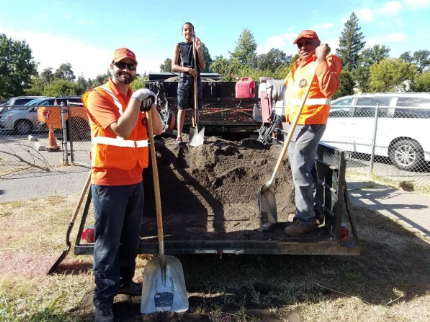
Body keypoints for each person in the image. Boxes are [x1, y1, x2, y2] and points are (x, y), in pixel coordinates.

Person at [82, 47, 162, 322]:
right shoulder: (98, 97)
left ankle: (125, 282)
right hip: (109, 182)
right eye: (121, 65)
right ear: (111, 66)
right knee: (107, 242)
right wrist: (138, 100)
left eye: (131, 66)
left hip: (135, 179)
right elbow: (122, 130)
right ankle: (103, 299)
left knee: (130, 240)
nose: (126, 70)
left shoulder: (134, 98)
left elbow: (158, 129)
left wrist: (151, 104)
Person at [283, 30, 342, 236]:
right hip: (294, 123)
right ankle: (314, 211)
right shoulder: (299, 67)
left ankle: (305, 219)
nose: (303, 47)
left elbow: (328, 89)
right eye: (300, 44)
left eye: (308, 43)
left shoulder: (329, 59)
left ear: (318, 44)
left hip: (312, 121)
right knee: (307, 168)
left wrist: (322, 58)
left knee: (300, 167)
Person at [171, 22, 205, 144]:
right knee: (182, 108)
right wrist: (188, 70)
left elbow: (202, 65)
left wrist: (199, 50)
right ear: (182, 32)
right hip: (184, 80)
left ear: (193, 32)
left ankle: (196, 137)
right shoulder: (178, 46)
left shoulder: (197, 44)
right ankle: (179, 136)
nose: (188, 32)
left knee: (195, 109)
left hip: (196, 81)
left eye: (190, 30)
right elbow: (173, 66)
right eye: (185, 30)